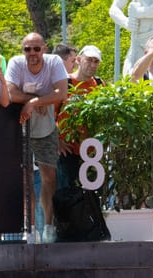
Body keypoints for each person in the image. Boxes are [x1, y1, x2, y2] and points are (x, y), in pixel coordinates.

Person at [6, 33, 69, 243]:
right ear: (22, 50)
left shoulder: (54, 62)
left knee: (49, 177)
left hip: (46, 128)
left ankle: (49, 228)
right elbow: (9, 93)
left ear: (44, 48)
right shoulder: (16, 63)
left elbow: (62, 93)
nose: (32, 53)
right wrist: (36, 99)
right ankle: (30, 228)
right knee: (24, 181)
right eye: (27, 49)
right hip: (21, 127)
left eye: (36, 49)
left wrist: (34, 103)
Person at [58, 45, 107, 187]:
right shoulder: (65, 83)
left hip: (92, 152)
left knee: (91, 198)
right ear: (79, 60)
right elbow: (49, 114)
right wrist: (57, 140)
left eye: (96, 61)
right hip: (67, 150)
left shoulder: (99, 84)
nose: (92, 65)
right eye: (88, 60)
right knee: (67, 194)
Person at [109, 0, 153, 76]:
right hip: (138, 40)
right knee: (130, 78)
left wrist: (137, 12)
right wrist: (126, 22)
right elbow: (114, 8)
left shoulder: (136, 10)